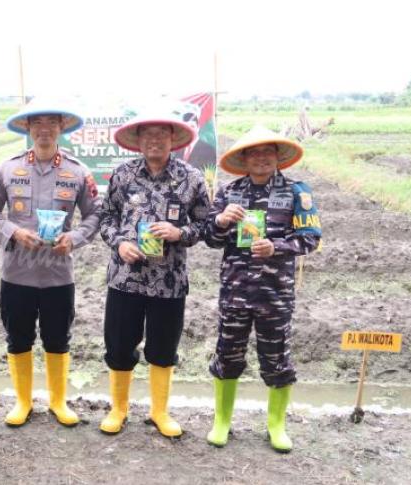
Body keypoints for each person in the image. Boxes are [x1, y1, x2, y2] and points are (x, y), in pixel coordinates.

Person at [0, 98, 101, 427]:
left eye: (52, 122)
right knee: (18, 338)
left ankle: (58, 402)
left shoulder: (78, 172)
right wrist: (14, 232)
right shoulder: (8, 169)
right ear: (28, 127)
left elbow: (95, 215)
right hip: (16, 274)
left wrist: (73, 238)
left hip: (57, 276)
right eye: (37, 122)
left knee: (57, 338)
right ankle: (22, 402)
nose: (45, 129)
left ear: (62, 127)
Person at [204, 125, 321, 453]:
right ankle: (222, 421)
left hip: (275, 294)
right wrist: (221, 221)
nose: (261, 158)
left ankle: (276, 425)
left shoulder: (296, 191)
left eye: (267, 152)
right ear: (243, 159)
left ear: (278, 156)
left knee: (277, 358)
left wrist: (276, 247)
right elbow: (210, 239)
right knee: (227, 354)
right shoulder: (229, 192)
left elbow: (311, 238)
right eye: (253, 153)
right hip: (235, 291)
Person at [97, 107, 209, 436]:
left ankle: (159, 412)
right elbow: (106, 218)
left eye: (162, 133)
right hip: (125, 279)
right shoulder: (123, 175)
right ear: (138, 140)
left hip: (169, 281)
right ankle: (118, 409)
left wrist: (179, 233)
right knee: (119, 346)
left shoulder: (191, 178)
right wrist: (119, 243)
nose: (155, 140)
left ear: (173, 138)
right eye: (148, 134)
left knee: (163, 349)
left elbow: (205, 225)